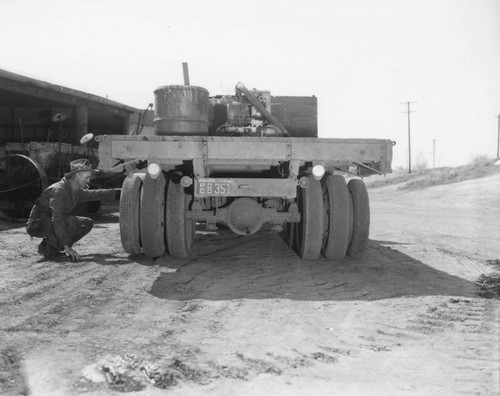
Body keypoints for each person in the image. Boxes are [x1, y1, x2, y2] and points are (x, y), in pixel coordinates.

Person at [26, 158, 118, 262]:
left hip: (51, 222)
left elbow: (96, 194)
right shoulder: (59, 190)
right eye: (87, 177)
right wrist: (67, 247)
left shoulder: (75, 190)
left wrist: (122, 191)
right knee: (65, 221)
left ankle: (52, 245)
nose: (89, 181)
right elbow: (57, 219)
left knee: (86, 223)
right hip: (38, 224)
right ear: (78, 175)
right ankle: (48, 247)